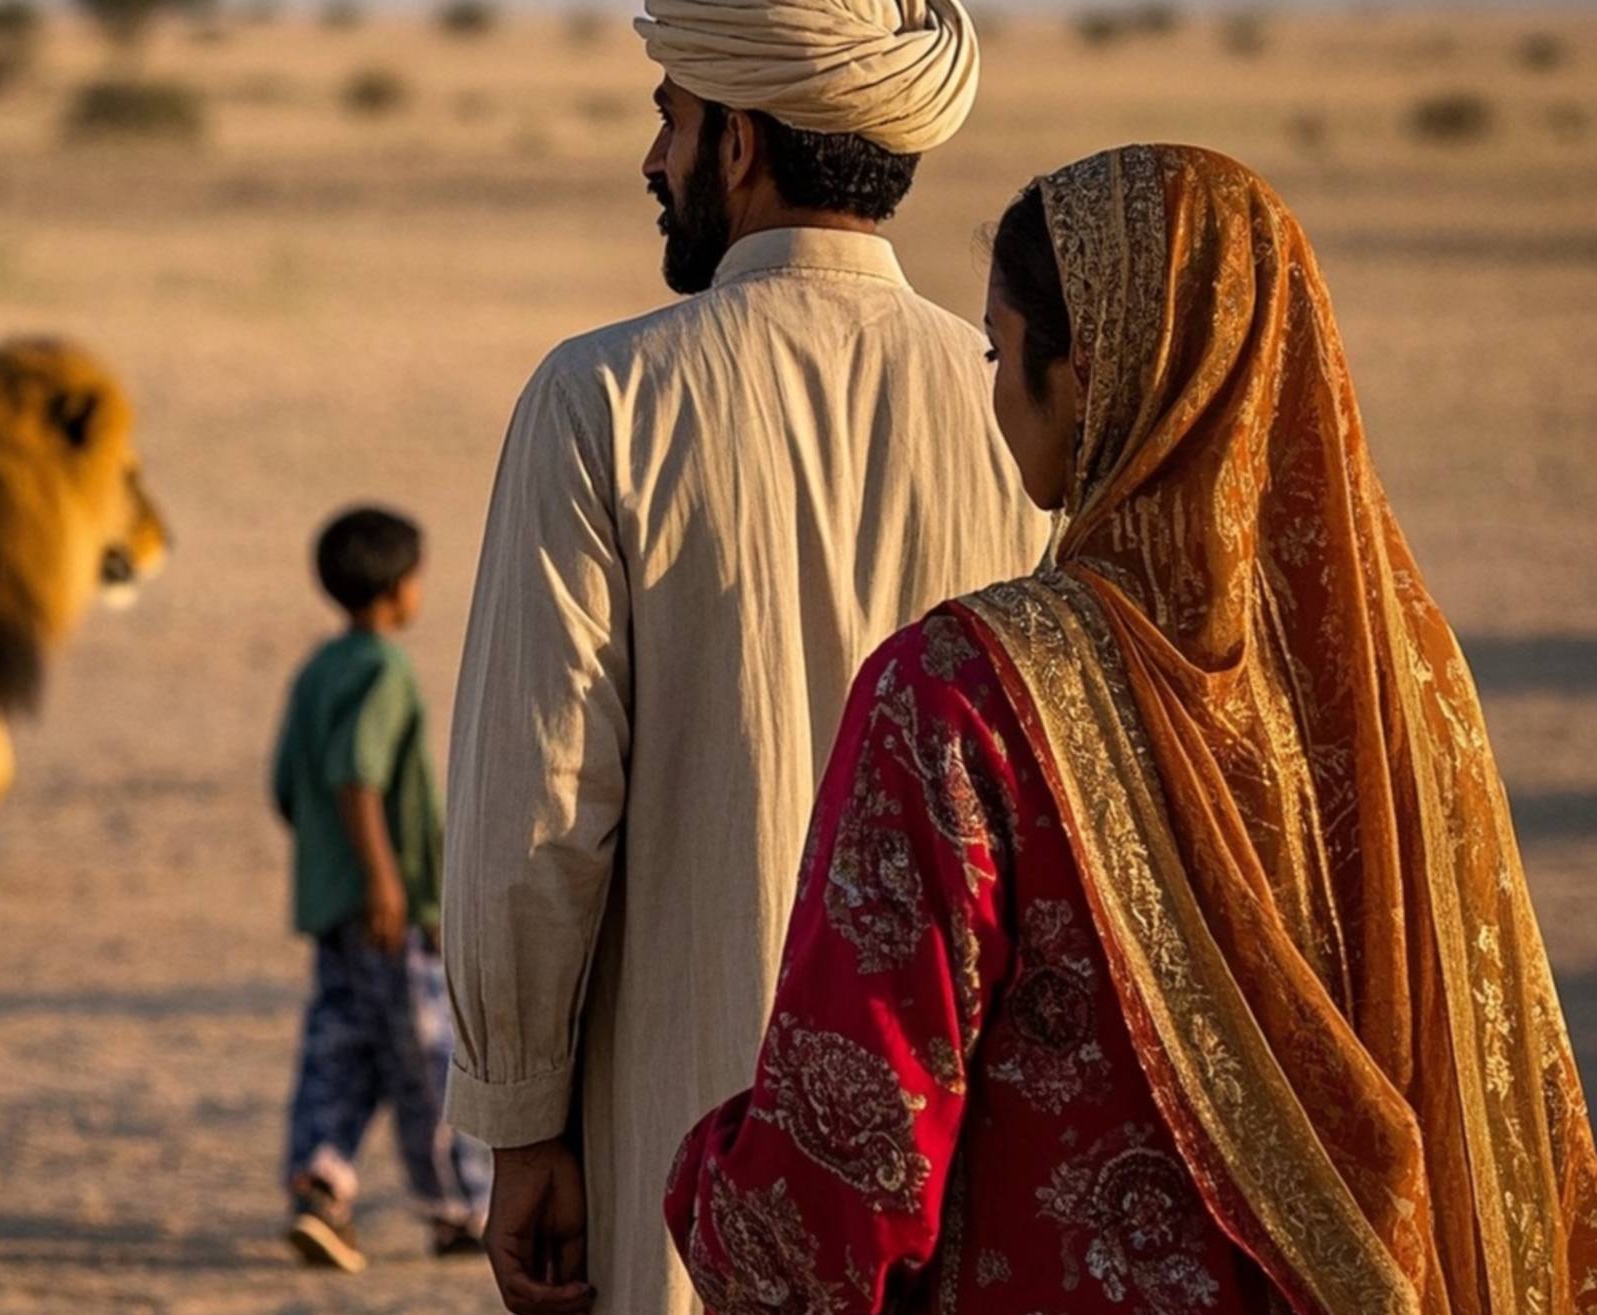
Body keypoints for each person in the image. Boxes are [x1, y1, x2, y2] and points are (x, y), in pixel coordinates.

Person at [665, 143, 1597, 1314]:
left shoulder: (968, 690)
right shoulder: (1411, 690)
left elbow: (850, 1159)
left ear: (1089, 372)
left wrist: (702, 1184)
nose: (996, 393)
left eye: (1004, 354)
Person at [438, 0, 1047, 1307]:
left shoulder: (600, 398)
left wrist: (523, 1121)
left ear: (737, 143)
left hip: (681, 1135)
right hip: (948, 1145)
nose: (650, 160)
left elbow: (539, 813)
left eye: (668, 116)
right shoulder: (1012, 411)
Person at [270, 506, 491, 1274]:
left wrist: (337, 872)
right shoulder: (383, 670)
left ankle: (320, 1183)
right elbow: (355, 775)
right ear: (399, 588)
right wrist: (386, 880)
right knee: (426, 1058)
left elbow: (287, 788)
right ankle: (462, 1207)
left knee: (342, 1050)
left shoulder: (317, 670)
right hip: (385, 913)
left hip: (331, 908)